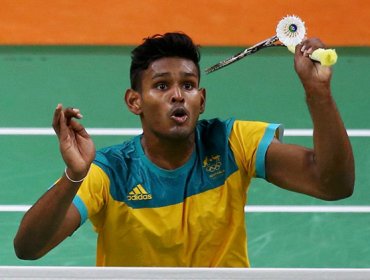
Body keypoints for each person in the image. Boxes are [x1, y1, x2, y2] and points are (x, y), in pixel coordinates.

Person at [13, 32, 354, 267]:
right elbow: (28, 248)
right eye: (162, 86)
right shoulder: (111, 171)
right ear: (135, 101)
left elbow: (332, 184)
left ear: (201, 100)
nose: (178, 95)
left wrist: (317, 91)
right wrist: (75, 176)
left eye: (188, 85)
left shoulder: (232, 143)